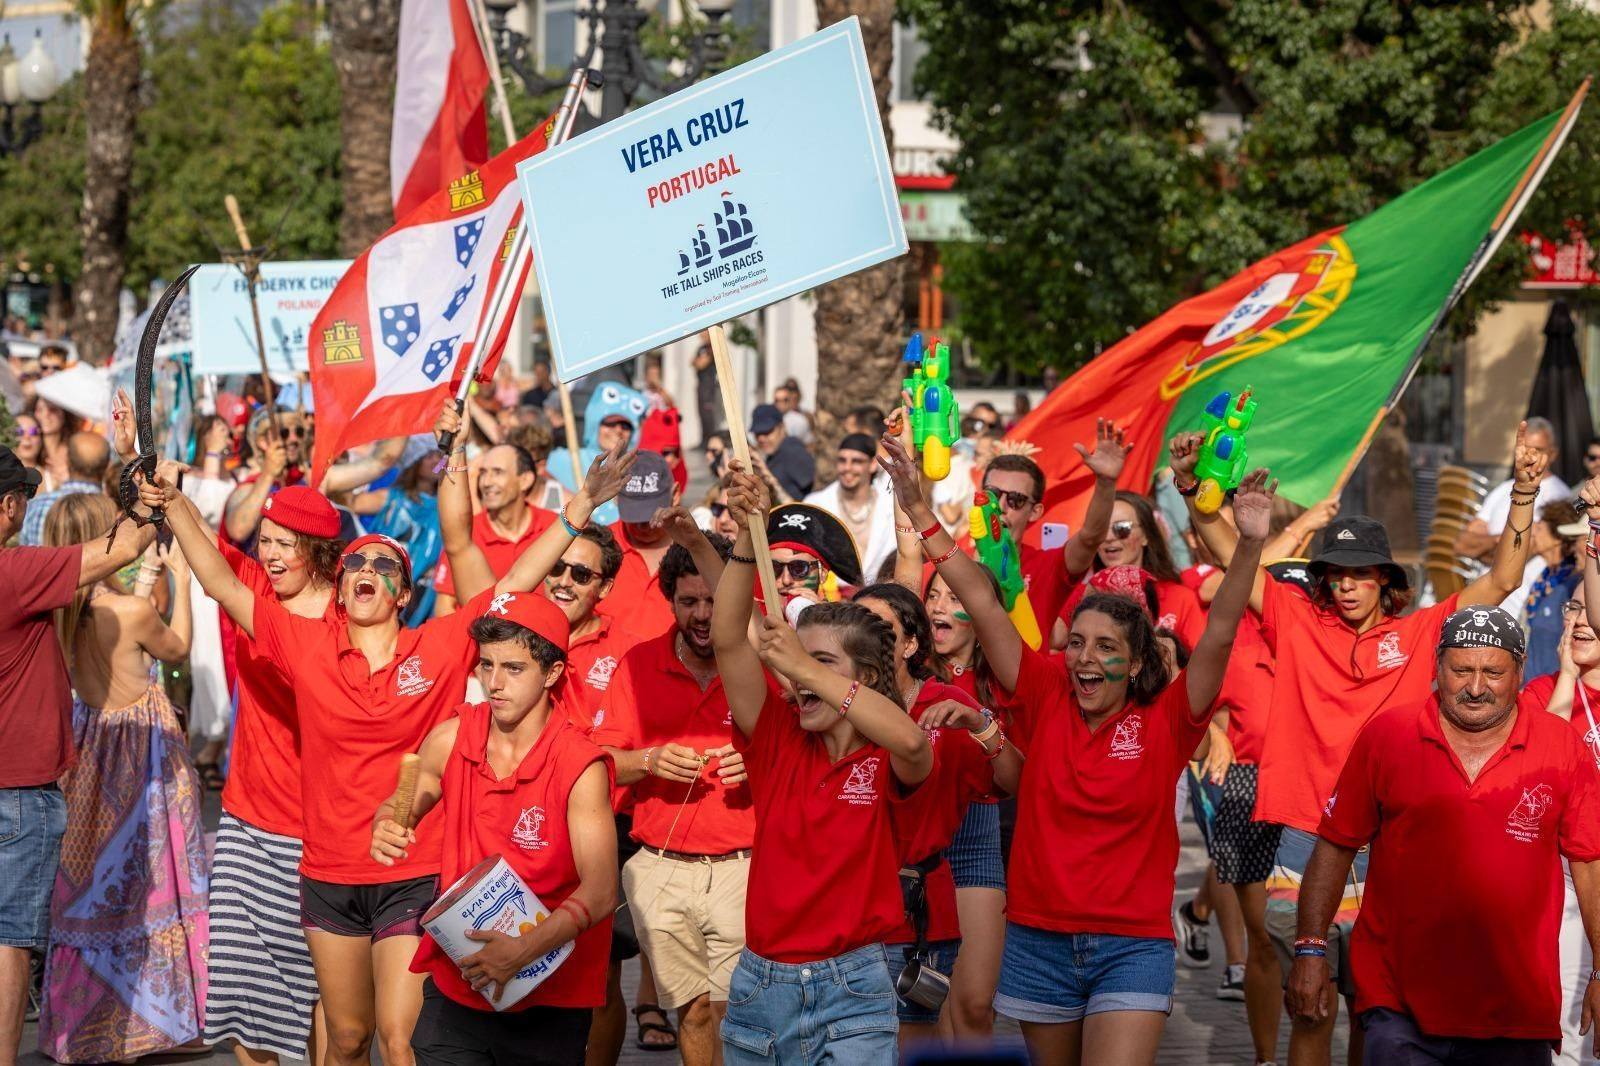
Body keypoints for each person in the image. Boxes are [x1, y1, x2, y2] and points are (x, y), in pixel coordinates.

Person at [141, 438, 634, 1066]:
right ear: (342, 588)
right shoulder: (303, 644)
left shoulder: (439, 645)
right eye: (355, 563)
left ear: (402, 594)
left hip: (413, 873)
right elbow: (219, 580)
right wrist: (173, 502)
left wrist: (582, 503)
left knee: (400, 1039)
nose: (367, 569)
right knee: (347, 1039)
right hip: (328, 872)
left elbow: (514, 583)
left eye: (385, 565)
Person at [879, 433, 1270, 1066]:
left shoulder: (1168, 717)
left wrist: (1249, 545)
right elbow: (980, 599)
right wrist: (919, 508)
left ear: (1136, 661)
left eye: (1107, 647)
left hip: (1131, 945)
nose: (1086, 657)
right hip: (1038, 940)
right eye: (1079, 642)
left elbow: (1221, 630)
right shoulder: (1043, 687)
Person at [1177, 422, 1546, 1066]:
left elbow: (1503, 581)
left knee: (1373, 1014)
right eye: (1336, 574)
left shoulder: (1423, 632)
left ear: (1385, 581)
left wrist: (1522, 492)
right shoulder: (1294, 618)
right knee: (1310, 1009)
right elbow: (1232, 552)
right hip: (1304, 836)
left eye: (1361, 574)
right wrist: (1193, 489)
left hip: (1389, 841)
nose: (1346, 585)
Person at [1288, 607, 1600, 1065]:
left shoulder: (1561, 746)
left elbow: (1590, 863)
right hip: (1398, 1005)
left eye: (1493, 673)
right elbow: (1335, 845)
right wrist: (1310, 949)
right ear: (1436, 667)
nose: (1475, 687)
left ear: (1519, 671)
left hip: (1516, 1008)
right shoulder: (1388, 735)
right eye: (1461, 670)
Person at [711, 468, 933, 1065]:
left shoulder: (885, 750)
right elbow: (729, 639)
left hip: (854, 984)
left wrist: (802, 668)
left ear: (865, 677)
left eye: (822, 663)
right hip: (762, 986)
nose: (798, 673)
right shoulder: (778, 731)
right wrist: (745, 536)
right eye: (798, 659)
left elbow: (914, 745)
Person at [369, 591, 617, 1066]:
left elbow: (602, 890)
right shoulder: (452, 736)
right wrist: (387, 823)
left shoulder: (580, 765)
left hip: (550, 997)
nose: (494, 683)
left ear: (552, 673)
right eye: (486, 665)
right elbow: (405, 800)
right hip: (458, 982)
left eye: (514, 668)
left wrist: (521, 951)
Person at [0, 443, 160, 1066]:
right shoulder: (15, 571)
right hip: (17, 791)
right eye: (22, 498)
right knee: (10, 941)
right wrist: (146, 488)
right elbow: (122, 549)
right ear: (8, 507)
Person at [36, 493, 206, 1063]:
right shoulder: (130, 613)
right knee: (154, 887)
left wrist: (147, 576)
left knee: (93, 893)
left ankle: (90, 1026)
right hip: (142, 755)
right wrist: (181, 582)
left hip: (87, 755)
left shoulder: (55, 616)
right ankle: (156, 1024)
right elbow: (176, 649)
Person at [593, 515, 749, 1066]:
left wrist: (759, 764)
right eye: (688, 602)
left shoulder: (759, 665)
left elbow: (804, 751)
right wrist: (649, 760)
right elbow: (599, 762)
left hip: (745, 865)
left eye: (713, 600)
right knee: (695, 1011)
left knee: (737, 1009)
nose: (702, 615)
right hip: (661, 866)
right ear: (669, 601)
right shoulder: (638, 665)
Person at [197, 485, 344, 1066]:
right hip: (247, 822)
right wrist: (164, 487)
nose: (272, 554)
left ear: (319, 551)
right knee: (243, 987)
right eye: (266, 541)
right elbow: (204, 548)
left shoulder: (349, 615)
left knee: (324, 992)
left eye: (287, 544)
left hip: (325, 830)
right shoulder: (254, 587)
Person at [851, 581, 1021, 1049]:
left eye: (880, 631)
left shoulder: (950, 700)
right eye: (855, 627)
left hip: (943, 862)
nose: (864, 640)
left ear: (911, 644)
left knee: (960, 1012)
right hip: (856, 888)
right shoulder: (830, 703)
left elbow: (1015, 782)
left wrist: (982, 725)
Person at [1528, 589, 1600, 1066]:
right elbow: (1541, 764)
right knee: (1572, 1025)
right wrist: (1568, 679)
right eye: (1573, 607)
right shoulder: (1540, 693)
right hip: (1572, 878)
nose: (1581, 619)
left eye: (1591, 607)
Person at [976, 419, 1128, 628]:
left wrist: (1106, 482)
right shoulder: (949, 561)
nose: (1000, 506)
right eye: (992, 494)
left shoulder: (1047, 567)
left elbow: (1090, 538)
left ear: (1035, 512)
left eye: (1015, 500)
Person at [1052, 491, 1207, 652]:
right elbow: (1050, 647)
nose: (1109, 538)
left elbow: (1202, 660)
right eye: (1102, 529)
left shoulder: (1180, 598)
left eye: (1122, 528)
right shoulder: (1080, 594)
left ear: (1145, 535)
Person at [432, 440, 555, 616]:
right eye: (483, 473)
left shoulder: (553, 529)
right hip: (475, 632)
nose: (486, 482)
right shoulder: (466, 534)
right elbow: (444, 607)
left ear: (525, 480)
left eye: (498, 472)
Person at [1455, 416, 1569, 563]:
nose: (1530, 456)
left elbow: (1513, 558)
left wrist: (1480, 548)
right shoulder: (1502, 489)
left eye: (1538, 450)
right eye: (1525, 448)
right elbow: (1461, 545)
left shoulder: (1559, 496)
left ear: (1553, 454)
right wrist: (1498, 540)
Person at [805, 433, 896, 583]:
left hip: (879, 593)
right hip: (830, 594)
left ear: (873, 464)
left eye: (856, 461)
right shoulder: (816, 505)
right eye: (842, 460)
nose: (847, 468)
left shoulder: (891, 506)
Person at [1524, 502, 1586, 679]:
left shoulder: (1574, 586)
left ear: (1557, 537)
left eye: (1540, 527)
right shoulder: (1545, 578)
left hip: (1556, 684)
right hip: (1532, 682)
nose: (1533, 532)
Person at [20, 431, 108, 546]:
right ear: (107, 466)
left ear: (68, 461)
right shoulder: (112, 511)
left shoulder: (36, 506)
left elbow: (25, 553)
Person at [765, 502, 863, 604]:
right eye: (774, 568)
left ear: (822, 574)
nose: (786, 580)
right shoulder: (754, 612)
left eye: (799, 568)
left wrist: (819, 613)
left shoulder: (841, 615)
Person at [749, 404, 814, 501]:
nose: (761, 438)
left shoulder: (792, 450)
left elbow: (817, 491)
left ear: (782, 428)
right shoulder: (772, 455)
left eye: (767, 431)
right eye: (758, 433)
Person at [32, 396, 70, 492]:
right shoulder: (30, 452)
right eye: (39, 410)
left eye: (52, 410)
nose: (45, 415)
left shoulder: (75, 449)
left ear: (64, 414)